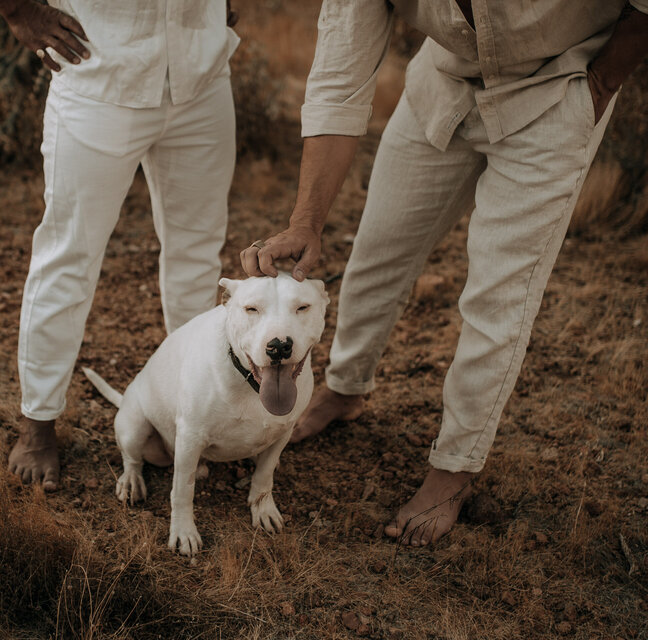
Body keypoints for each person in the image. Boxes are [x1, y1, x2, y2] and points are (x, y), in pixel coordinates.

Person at [241, 0, 648, 545]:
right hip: (444, 81)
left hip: (558, 88)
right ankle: (344, 388)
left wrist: (603, 78)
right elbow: (339, 84)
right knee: (377, 249)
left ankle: (454, 468)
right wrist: (305, 222)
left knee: (498, 296)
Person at [0, 0, 240, 490]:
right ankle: (38, 424)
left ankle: (189, 412)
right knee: (69, 256)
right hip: (99, 70)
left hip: (202, 74)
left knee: (198, 252)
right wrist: (18, 11)